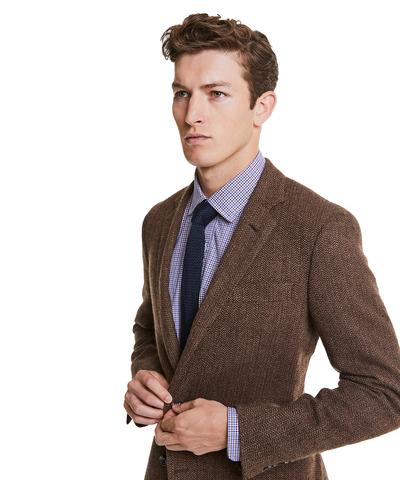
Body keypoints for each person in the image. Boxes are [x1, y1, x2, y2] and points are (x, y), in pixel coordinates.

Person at [123, 12, 400, 480]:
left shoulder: (319, 229)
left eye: (216, 93)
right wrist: (145, 378)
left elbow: (384, 392)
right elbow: (150, 328)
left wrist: (237, 430)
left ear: (262, 107)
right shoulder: (159, 221)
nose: (192, 114)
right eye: (182, 93)